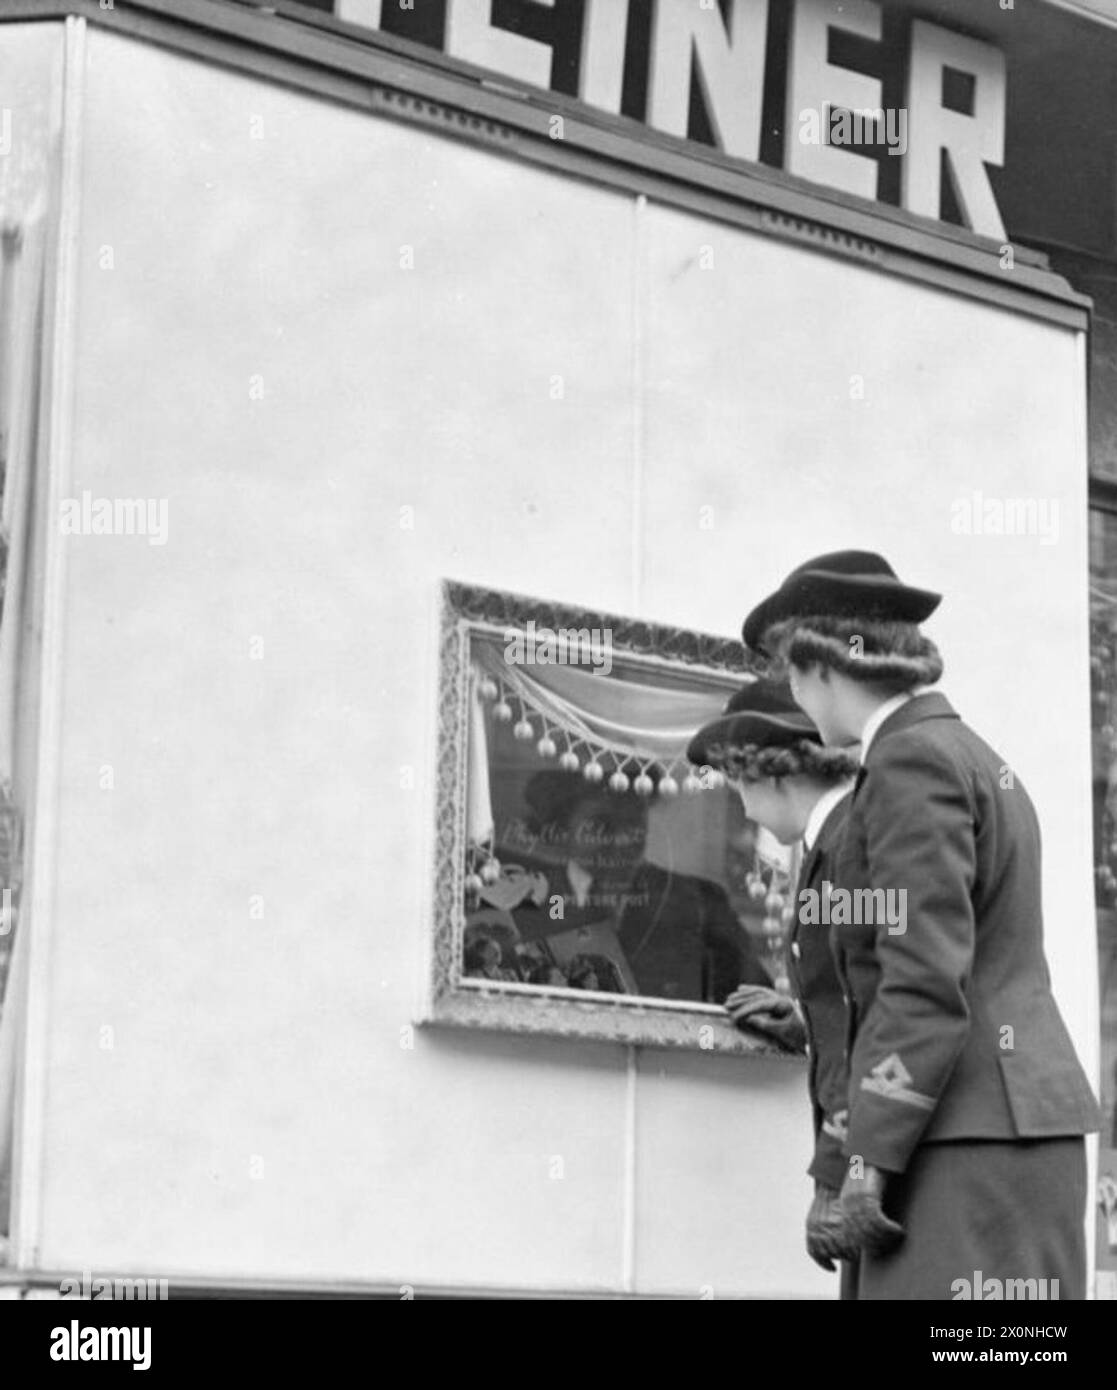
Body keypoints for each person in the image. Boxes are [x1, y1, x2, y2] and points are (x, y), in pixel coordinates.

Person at [742, 549, 1102, 1300]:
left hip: (963, 1137)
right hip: (989, 1129)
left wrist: (862, 1162)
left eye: (789, 677)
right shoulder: (962, 753)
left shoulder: (909, 764)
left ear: (817, 669)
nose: (795, 699)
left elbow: (922, 980)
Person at [688, 678, 861, 1290]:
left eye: (739, 779)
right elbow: (849, 1004)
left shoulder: (846, 846)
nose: (738, 800)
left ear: (776, 775)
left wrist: (833, 1180)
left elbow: (865, 1020)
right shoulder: (837, 840)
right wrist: (805, 1021)